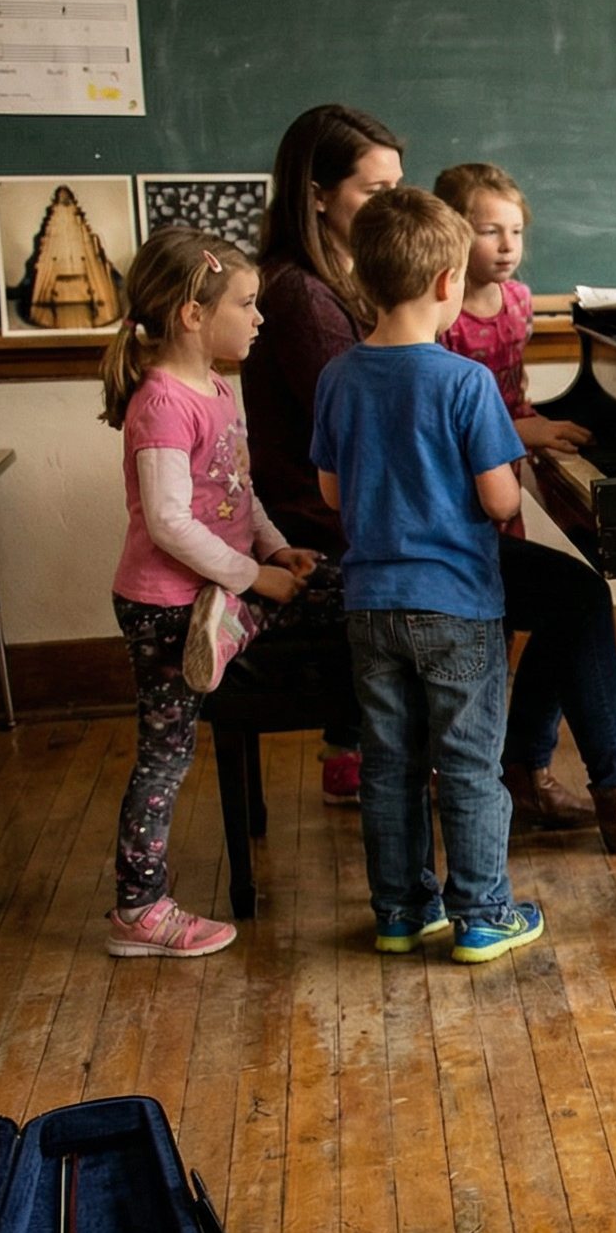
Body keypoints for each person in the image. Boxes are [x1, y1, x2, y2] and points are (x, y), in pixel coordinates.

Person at [431, 160, 616, 847]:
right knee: (574, 601)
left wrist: (540, 432)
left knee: (568, 603)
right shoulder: (436, 318)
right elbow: (442, 419)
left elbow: (510, 397)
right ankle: (612, 791)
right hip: (450, 506)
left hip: (494, 485)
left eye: (516, 231)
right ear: (448, 234)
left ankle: (525, 771)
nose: (507, 246)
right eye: (488, 230)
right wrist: (524, 433)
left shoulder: (517, 304)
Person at [310, 188, 543, 965]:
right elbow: (499, 500)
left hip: (371, 605)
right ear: (449, 282)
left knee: (389, 767)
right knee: (469, 763)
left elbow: (331, 493)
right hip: (457, 605)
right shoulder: (465, 382)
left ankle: (401, 913)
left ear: (361, 280)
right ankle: (482, 913)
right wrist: (507, 471)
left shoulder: (338, 378)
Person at [97, 228, 332, 958]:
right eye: (247, 303)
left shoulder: (219, 387)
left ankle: (229, 626)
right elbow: (168, 521)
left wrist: (274, 548)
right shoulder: (163, 402)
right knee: (165, 756)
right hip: (167, 602)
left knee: (326, 585)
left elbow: (238, 490)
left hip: (217, 586)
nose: (260, 317)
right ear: (193, 315)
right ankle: (138, 910)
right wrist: (253, 577)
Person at [247, 104, 403, 805]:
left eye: (398, 188)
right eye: (374, 191)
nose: (392, 207)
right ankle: (505, 766)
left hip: (349, 514)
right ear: (316, 195)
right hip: (325, 528)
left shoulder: (337, 280)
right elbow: (360, 434)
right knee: (571, 596)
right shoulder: (304, 296)